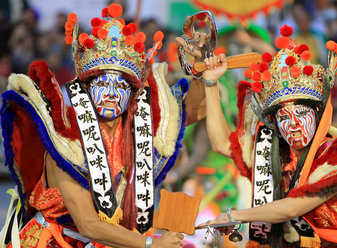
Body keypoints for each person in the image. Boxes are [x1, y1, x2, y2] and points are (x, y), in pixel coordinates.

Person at [0, 4, 204, 248]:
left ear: (132, 95)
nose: (110, 93)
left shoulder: (132, 132)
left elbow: (193, 112)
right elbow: (88, 224)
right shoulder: (66, 141)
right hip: (54, 242)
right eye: (103, 84)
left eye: (120, 87)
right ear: (85, 88)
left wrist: (204, 76)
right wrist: (151, 243)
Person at [200, 24, 337, 247]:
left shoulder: (336, 156)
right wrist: (211, 82)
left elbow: (293, 207)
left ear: (317, 113)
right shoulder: (282, 159)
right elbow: (222, 144)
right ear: (275, 123)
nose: (294, 124)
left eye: (301, 113)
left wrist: (235, 216)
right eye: (284, 116)